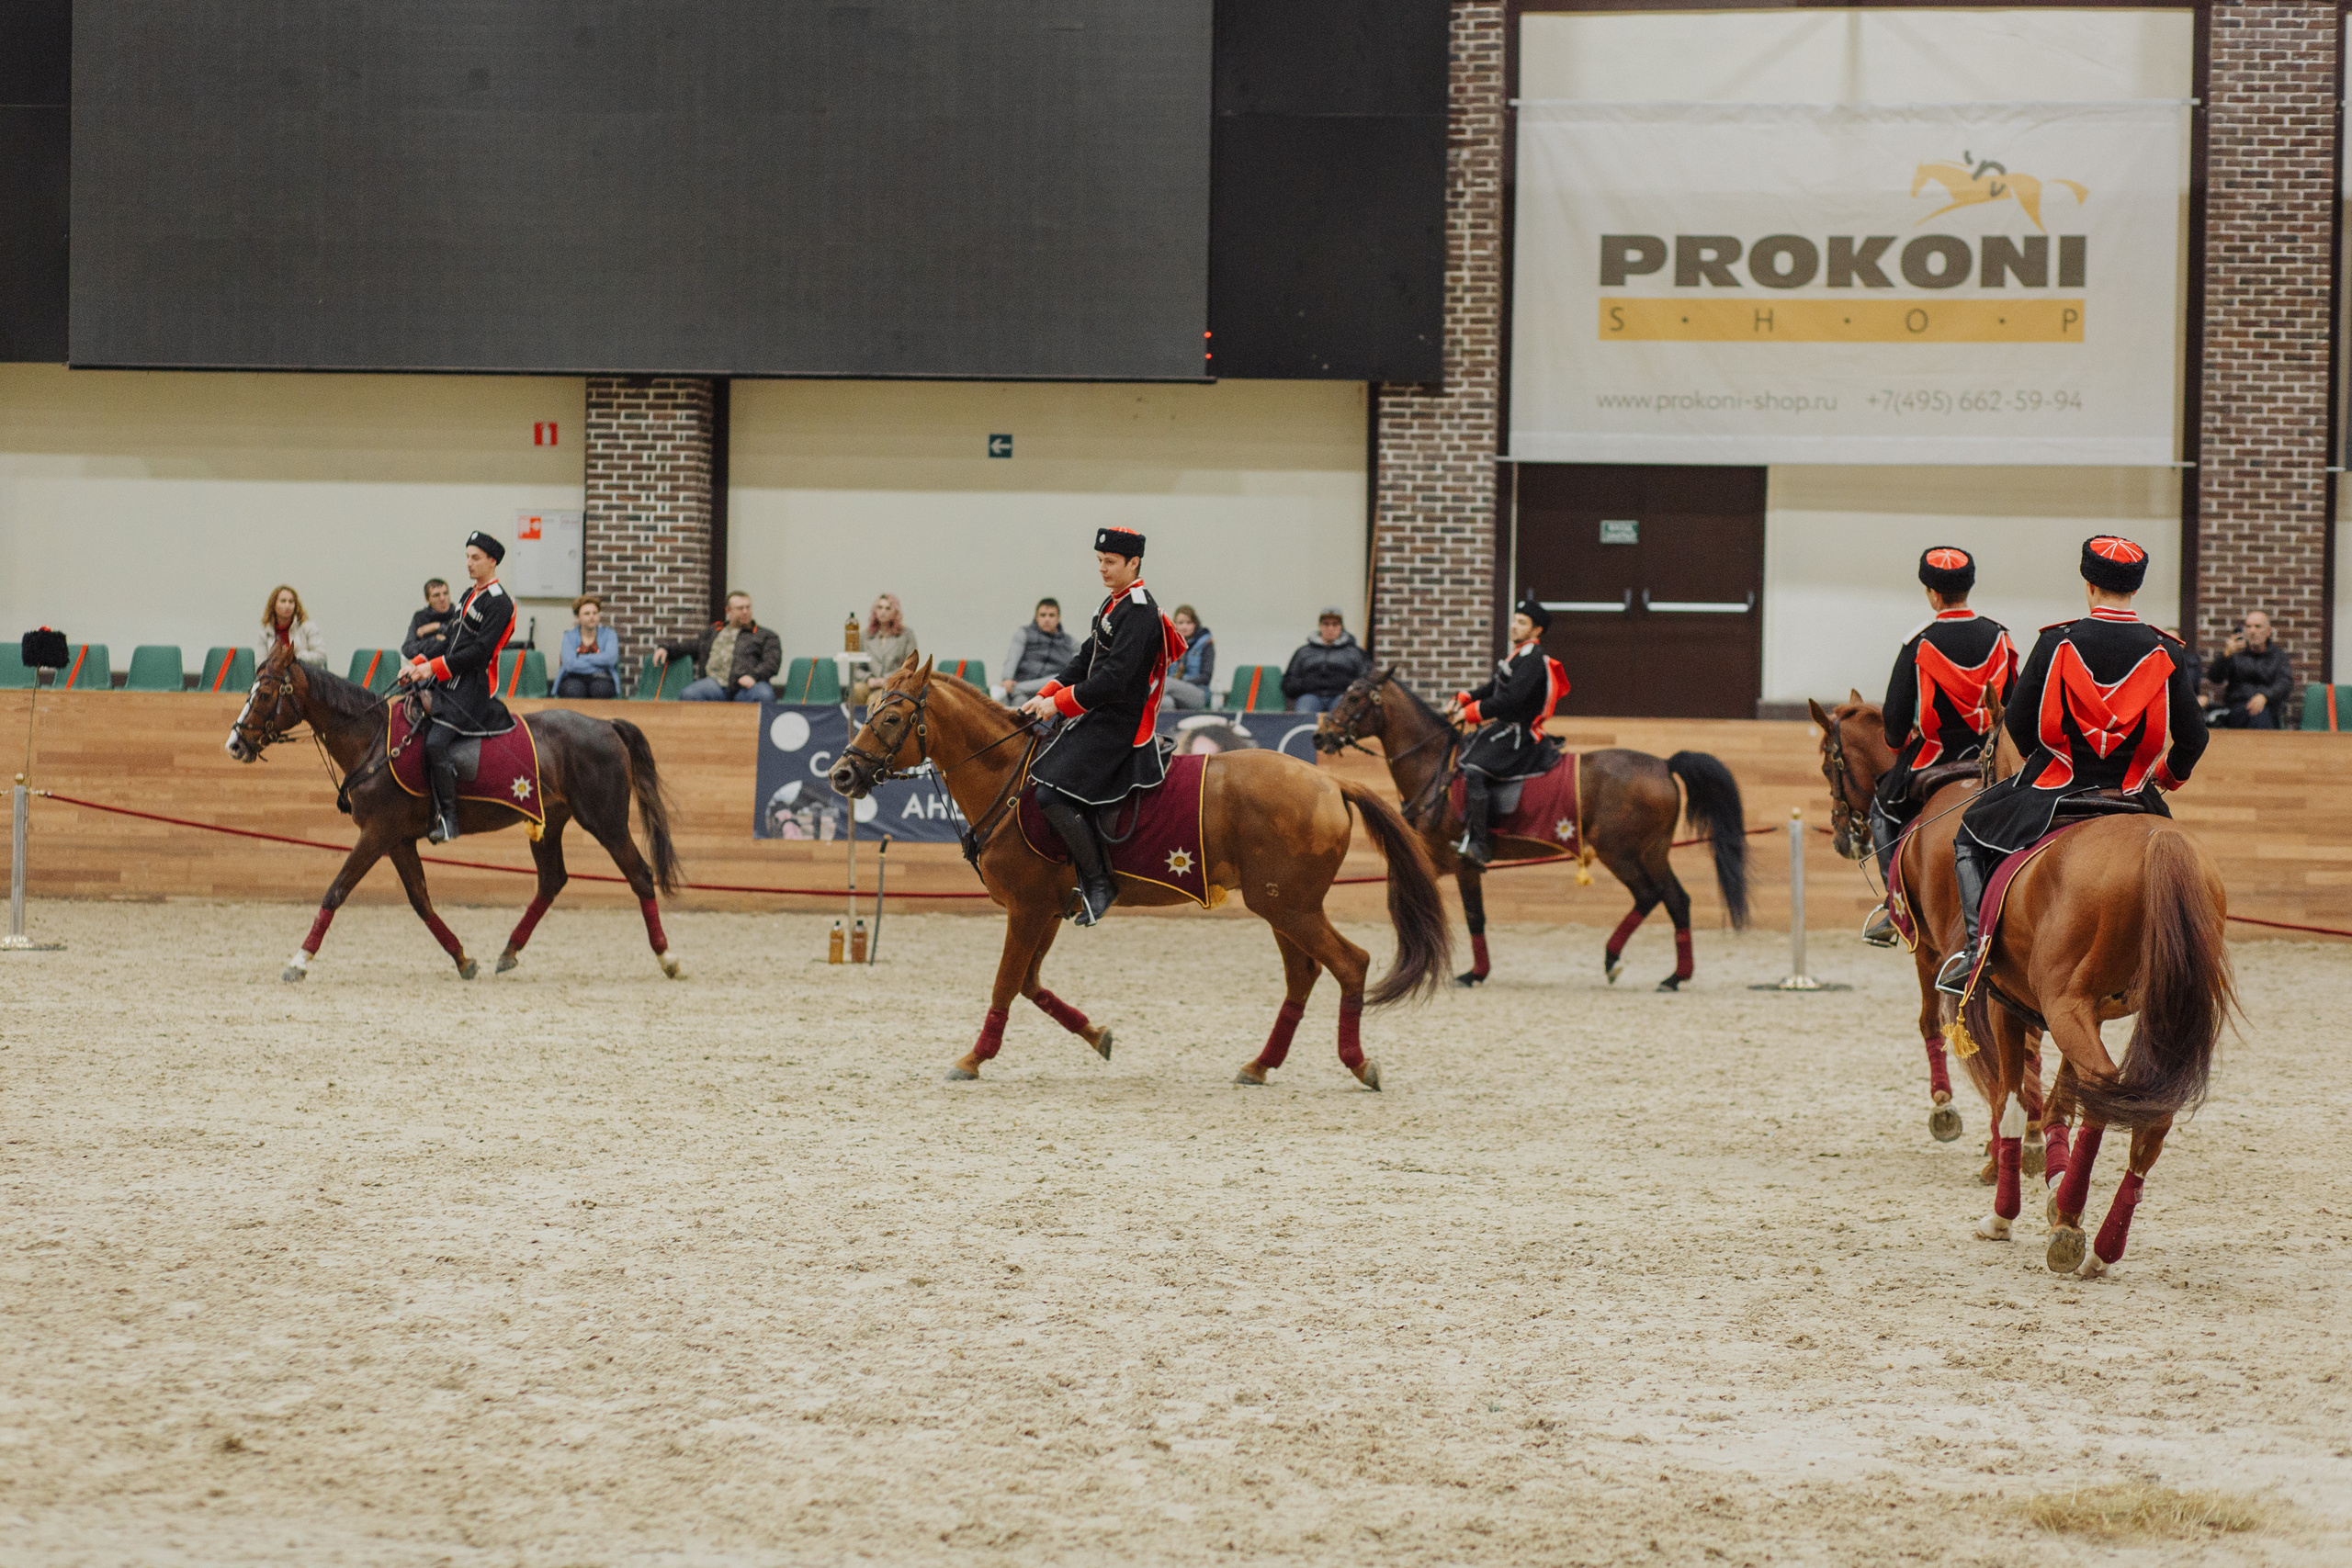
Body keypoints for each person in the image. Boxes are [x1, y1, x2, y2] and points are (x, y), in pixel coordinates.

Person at [1936, 536, 2208, 995]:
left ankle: (1976, 950)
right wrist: (2164, 778)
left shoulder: (2056, 641)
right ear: (2135, 589)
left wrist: (2045, 762)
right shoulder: (2167, 650)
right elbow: (2194, 738)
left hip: (2056, 788)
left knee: (1969, 834)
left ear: (2089, 585)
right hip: (2131, 795)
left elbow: (2019, 727)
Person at [1020, 527, 1188, 926]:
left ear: (1134, 563)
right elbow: (1085, 659)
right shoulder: (1115, 603)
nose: (1102, 569)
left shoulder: (1141, 611)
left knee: (1050, 796)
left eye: (1110, 562)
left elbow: (1114, 680)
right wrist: (1045, 693)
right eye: (1099, 561)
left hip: (1120, 721)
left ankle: (1099, 881)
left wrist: (1058, 704)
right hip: (1099, 713)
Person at [1858, 547, 2018, 948]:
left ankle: (1896, 904)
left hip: (1936, 757)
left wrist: (1898, 743)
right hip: (1991, 761)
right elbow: (2015, 703)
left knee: (1882, 809)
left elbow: (1894, 724)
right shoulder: (1999, 637)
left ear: (1931, 593)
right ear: (1969, 586)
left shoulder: (1919, 642)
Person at [396, 532, 515, 844]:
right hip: (447, 678)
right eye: (467, 557)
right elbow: (449, 640)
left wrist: (430, 668)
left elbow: (479, 654)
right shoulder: (467, 595)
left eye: (475, 558)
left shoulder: (501, 603)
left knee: (436, 743)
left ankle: (449, 819)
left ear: (492, 561)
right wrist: (416, 663)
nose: (468, 563)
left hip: (472, 688)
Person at [1445, 601, 1568, 867]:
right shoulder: (1519, 655)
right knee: (1465, 750)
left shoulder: (1533, 660)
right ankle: (1466, 829)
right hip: (1504, 728)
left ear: (1536, 631)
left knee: (1475, 769)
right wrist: (1465, 698)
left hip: (1519, 734)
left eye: (1522, 622)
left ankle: (1481, 844)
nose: (1514, 626)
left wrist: (1470, 713)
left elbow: (1510, 701)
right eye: (1514, 620)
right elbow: (1494, 688)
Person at [655, 591, 782, 703]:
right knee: (690, 694)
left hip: (747, 687)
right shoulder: (714, 632)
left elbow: (772, 662)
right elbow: (689, 646)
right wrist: (666, 648)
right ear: (728, 611)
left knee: (765, 695)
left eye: (748, 607)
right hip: (715, 685)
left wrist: (754, 676)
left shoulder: (765, 636)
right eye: (740, 608)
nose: (745, 611)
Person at [2206, 609, 2291, 728]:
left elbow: (2284, 683)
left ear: (2268, 632)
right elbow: (2215, 678)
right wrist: (2225, 656)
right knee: (2256, 716)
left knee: (2261, 715)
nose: (2252, 631)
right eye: (2248, 627)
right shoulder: (2235, 653)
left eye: (2258, 627)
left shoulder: (2278, 656)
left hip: (2267, 708)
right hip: (2237, 709)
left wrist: (2264, 696)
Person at [1282, 607, 1371, 714]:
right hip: (1310, 696)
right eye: (1326, 624)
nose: (1330, 628)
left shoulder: (1355, 653)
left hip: (1342, 696)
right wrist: (1306, 684)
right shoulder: (1303, 652)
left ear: (1341, 627)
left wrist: (1347, 684)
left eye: (1335, 624)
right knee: (1304, 711)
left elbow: (1366, 680)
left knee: (1343, 714)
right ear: (1320, 626)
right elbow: (1288, 683)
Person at [998, 598, 1078, 705]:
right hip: (1025, 686)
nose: (1047, 619)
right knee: (1019, 701)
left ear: (1058, 618)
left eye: (1051, 615)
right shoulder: (1024, 634)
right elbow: (1012, 658)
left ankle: (1015, 689)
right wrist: (1007, 678)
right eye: (1043, 615)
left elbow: (1081, 663)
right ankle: (1015, 690)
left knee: (1058, 678)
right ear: (1036, 617)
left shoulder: (1069, 642)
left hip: (1051, 691)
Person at [555, 593, 622, 699]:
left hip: (602, 678)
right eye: (587, 613)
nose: (592, 617)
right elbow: (570, 664)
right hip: (573, 678)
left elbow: (610, 659)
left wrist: (582, 657)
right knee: (573, 690)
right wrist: (599, 664)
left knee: (601, 689)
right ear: (577, 618)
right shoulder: (569, 636)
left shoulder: (609, 634)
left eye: (595, 613)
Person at [255, 584, 327, 669]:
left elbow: (321, 656)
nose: (287, 606)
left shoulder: (308, 627)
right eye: (283, 601)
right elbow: (259, 663)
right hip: (276, 678)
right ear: (273, 605)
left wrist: (295, 657)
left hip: (305, 677)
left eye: (291, 602)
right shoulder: (266, 632)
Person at [1160, 604, 1215, 711]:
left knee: (1166, 682)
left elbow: (1206, 676)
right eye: (1180, 623)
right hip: (1175, 693)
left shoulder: (1206, 643)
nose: (1184, 627)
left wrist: (1182, 681)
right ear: (1174, 625)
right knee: (1165, 703)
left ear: (1195, 624)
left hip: (1198, 693)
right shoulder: (1169, 645)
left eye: (1188, 623)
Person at [863, 594, 919, 680]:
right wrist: (869, 679)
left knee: (881, 693)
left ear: (895, 612)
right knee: (857, 689)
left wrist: (887, 679)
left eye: (888, 608)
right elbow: (856, 668)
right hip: (870, 682)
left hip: (896, 682)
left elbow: (910, 665)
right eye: (880, 608)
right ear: (875, 611)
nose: (883, 611)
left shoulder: (906, 635)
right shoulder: (865, 636)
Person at [402, 579, 456, 664]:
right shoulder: (420, 617)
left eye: (445, 593)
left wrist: (437, 626)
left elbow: (455, 643)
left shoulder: (457, 615)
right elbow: (407, 649)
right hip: (426, 669)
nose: (442, 598)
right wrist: (435, 639)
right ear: (428, 599)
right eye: (436, 595)